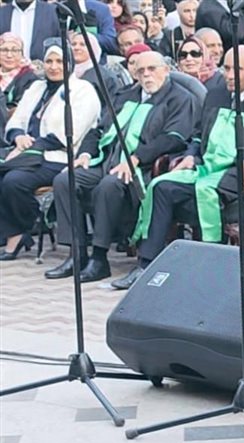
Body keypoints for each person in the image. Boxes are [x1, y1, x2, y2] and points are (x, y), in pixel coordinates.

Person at [123, 46, 244, 288]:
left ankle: (213, 266)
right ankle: (147, 265)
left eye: (237, 70)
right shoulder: (215, 94)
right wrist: (190, 156)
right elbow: (198, 135)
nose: (229, 75)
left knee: (205, 192)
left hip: (238, 171)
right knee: (161, 186)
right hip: (205, 167)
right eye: (226, 68)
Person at [45, 51, 197, 283]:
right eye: (141, 71)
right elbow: (98, 130)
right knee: (66, 180)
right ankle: (77, 253)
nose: (146, 75)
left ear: (166, 70)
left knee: (109, 185)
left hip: (143, 168)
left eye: (152, 69)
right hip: (106, 160)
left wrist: (136, 158)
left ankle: (99, 258)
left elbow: (173, 138)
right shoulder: (126, 95)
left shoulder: (179, 99)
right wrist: (85, 154)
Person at [0, 43, 101, 260]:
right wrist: (19, 136)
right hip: (25, 152)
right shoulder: (37, 87)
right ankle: (15, 231)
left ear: (69, 64)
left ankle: (25, 228)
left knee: (13, 181)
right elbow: (17, 120)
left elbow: (71, 132)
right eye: (49, 61)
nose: (53, 67)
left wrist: (30, 148)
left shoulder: (83, 90)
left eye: (59, 61)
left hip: (58, 156)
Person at [0, 34, 38, 111]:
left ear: (22, 54)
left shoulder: (30, 78)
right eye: (4, 50)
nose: (9, 55)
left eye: (15, 50)